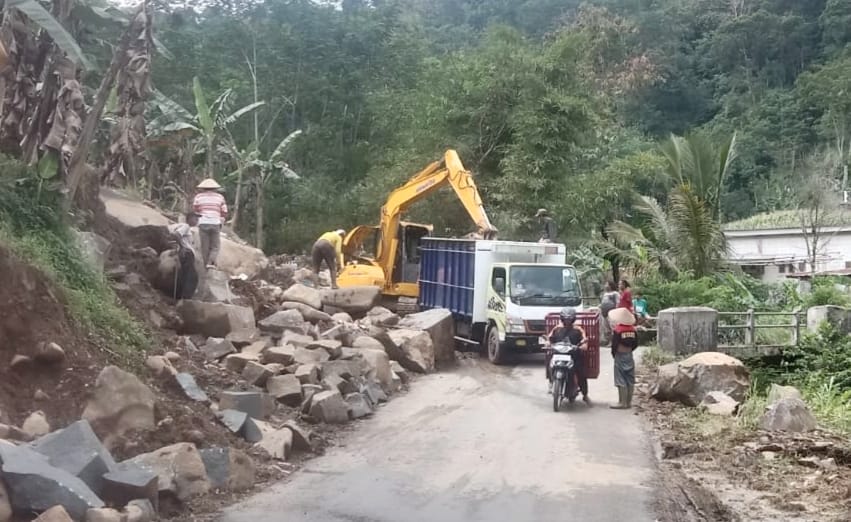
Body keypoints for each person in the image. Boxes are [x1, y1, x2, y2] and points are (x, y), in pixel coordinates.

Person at [547, 307, 590, 403]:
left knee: (581, 373)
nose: (567, 321)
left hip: (574, 356)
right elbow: (550, 338)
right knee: (549, 364)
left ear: (573, 319)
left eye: (569, 319)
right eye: (565, 319)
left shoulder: (578, 329)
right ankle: (551, 381)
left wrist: (583, 345)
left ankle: (585, 394)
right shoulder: (557, 329)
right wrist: (548, 344)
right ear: (562, 319)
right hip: (559, 355)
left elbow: (584, 341)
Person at [193, 178, 228, 269]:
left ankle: (206, 265)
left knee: (205, 246)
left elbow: (196, 210)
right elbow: (224, 211)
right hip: (215, 223)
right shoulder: (220, 197)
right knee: (215, 246)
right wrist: (221, 219)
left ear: (203, 188)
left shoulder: (198, 197)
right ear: (215, 188)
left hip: (203, 222)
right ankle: (210, 262)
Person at [608, 307, 638, 409]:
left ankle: (622, 402)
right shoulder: (633, 330)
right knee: (630, 378)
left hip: (620, 355)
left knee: (620, 378)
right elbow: (636, 344)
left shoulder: (618, 330)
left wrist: (614, 354)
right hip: (629, 355)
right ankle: (629, 402)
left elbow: (614, 344)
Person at [168, 212, 200, 300]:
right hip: (187, 254)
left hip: (187, 253)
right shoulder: (185, 227)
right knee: (192, 277)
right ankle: (185, 298)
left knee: (185, 275)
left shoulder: (187, 228)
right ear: (189, 219)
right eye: (195, 219)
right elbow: (176, 234)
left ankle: (181, 296)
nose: (197, 221)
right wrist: (182, 247)